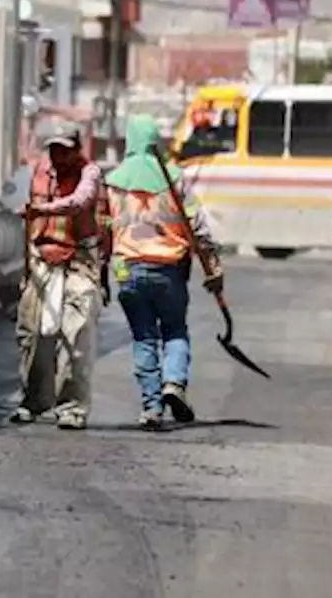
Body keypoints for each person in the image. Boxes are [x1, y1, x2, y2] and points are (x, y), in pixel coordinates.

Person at [104, 114, 224, 430]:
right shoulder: (174, 179)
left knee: (143, 337)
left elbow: (105, 230)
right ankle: (173, 382)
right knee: (174, 331)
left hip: (126, 270)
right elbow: (198, 226)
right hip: (169, 269)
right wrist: (213, 267)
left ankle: (152, 408)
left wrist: (107, 272)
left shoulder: (114, 182)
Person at [10, 119, 110, 431]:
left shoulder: (90, 173)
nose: (57, 156)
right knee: (34, 332)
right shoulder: (40, 170)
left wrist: (46, 211)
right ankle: (34, 401)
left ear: (77, 150)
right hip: (43, 258)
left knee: (75, 334)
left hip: (80, 260)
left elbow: (80, 201)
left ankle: (72, 407)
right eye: (53, 149)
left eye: (63, 150)